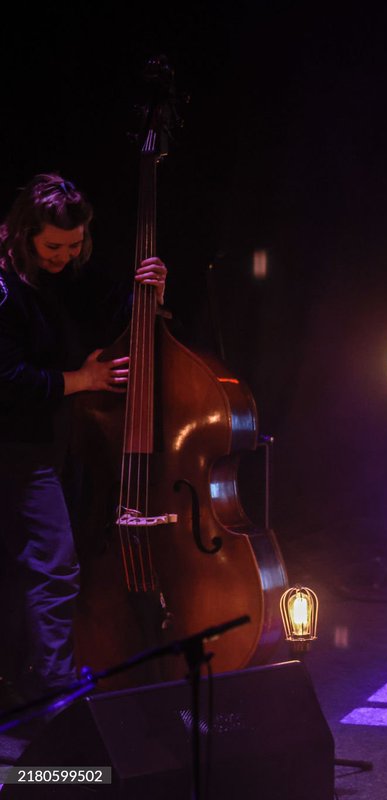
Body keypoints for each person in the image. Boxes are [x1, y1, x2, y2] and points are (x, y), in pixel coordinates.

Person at [0, 174, 166, 712]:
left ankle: (36, 681)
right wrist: (82, 380)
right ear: (24, 234)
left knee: (40, 566)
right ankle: (54, 690)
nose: (63, 258)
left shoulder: (64, 270)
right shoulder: (3, 289)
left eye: (73, 247)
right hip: (15, 448)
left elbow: (115, 308)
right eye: (53, 246)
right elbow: (8, 378)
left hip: (49, 444)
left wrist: (150, 291)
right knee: (53, 565)